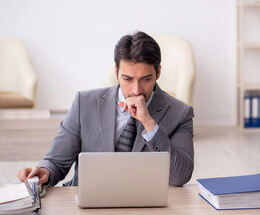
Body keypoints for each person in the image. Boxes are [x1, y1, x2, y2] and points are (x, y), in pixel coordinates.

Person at [18, 31, 194, 187]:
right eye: (127, 79)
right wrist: (45, 172)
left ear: (158, 73)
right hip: (90, 202)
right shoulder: (84, 103)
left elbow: (180, 176)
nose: (136, 90)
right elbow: (56, 161)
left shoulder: (180, 113)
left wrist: (149, 124)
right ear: (116, 72)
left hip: (144, 204)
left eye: (146, 79)